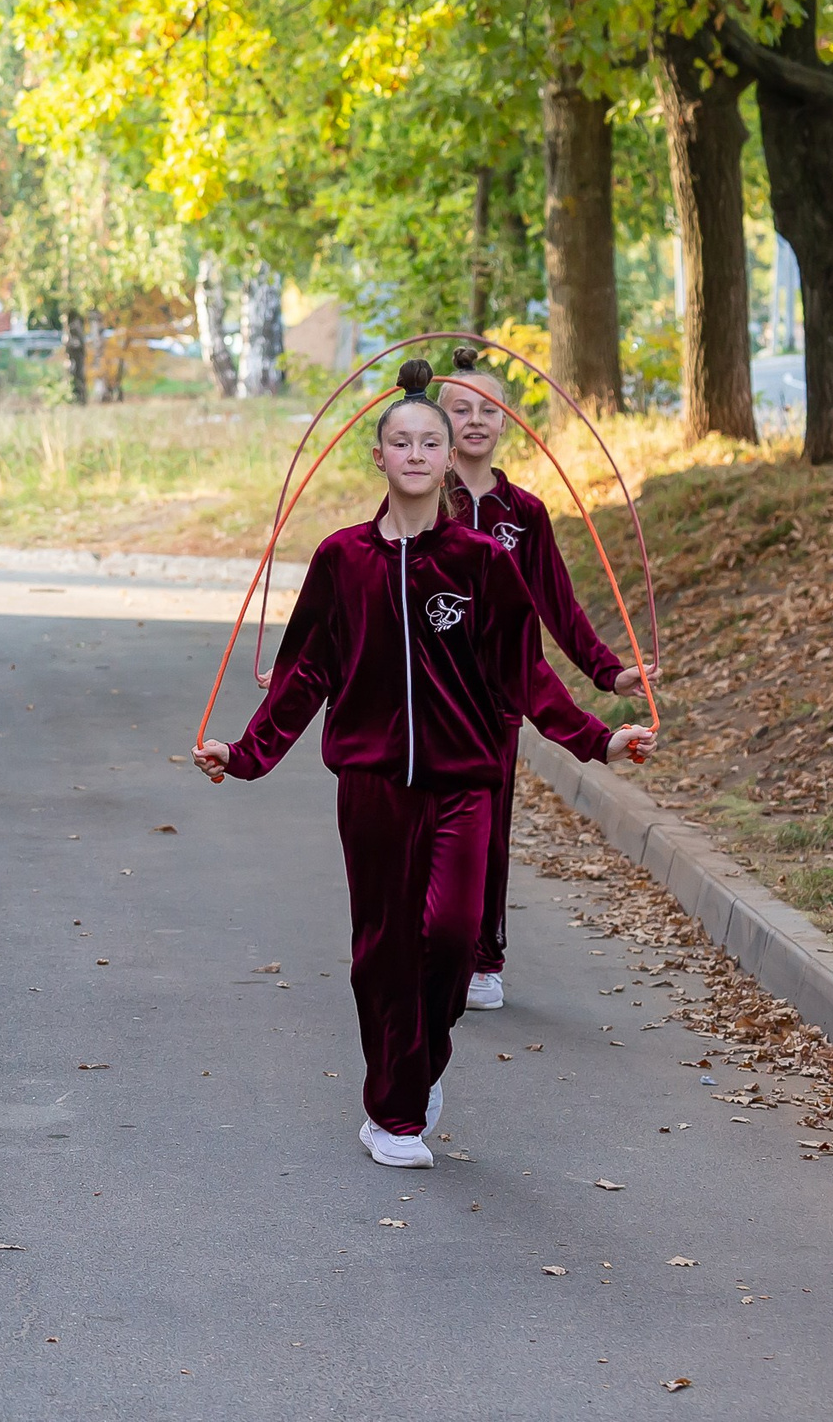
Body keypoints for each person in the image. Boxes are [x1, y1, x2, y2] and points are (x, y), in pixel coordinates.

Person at [193, 359, 654, 1169]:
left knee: (447, 938)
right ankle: (394, 1113)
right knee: (382, 949)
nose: (415, 452)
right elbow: (305, 671)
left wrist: (598, 737)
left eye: (428, 442)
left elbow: (526, 672)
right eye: (400, 440)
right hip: (372, 787)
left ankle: (421, 1059)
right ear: (379, 457)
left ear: (448, 460)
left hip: (465, 784)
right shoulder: (341, 560)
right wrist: (245, 752)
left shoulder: (483, 560)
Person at [436, 345, 655, 1013]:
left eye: (489, 408)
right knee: (418, 826)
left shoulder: (523, 512)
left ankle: (484, 956)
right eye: (460, 408)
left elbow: (557, 602)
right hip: (423, 692)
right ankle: (426, 944)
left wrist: (607, 671)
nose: (476, 419)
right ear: (436, 421)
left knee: (486, 832)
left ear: (505, 421)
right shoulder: (417, 496)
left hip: (498, 700)